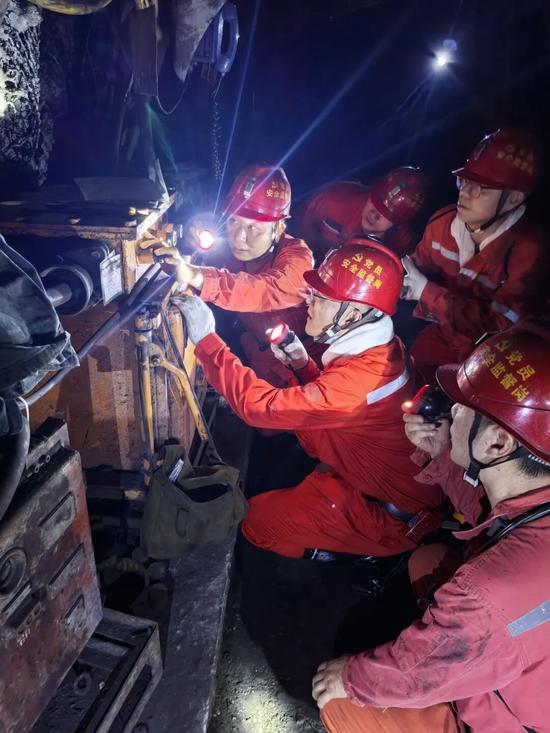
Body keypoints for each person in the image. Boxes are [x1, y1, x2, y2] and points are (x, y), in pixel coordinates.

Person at [312, 321, 550, 733]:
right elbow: (494, 517)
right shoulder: (534, 499)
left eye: (462, 408)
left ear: (497, 443)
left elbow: (415, 673)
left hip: (512, 717)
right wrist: (444, 452)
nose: (450, 411)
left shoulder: (488, 593)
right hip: (527, 658)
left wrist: (347, 678)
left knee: (341, 704)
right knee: (429, 561)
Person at [175, 239, 442, 559]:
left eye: (320, 298)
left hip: (386, 515)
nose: (308, 304)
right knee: (302, 455)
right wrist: (302, 366)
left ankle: (356, 557)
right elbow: (334, 402)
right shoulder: (382, 347)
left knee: (256, 524)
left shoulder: (359, 380)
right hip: (375, 476)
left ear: (352, 314)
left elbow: (259, 408)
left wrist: (206, 340)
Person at [402, 128, 548, 384]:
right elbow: (416, 266)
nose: (465, 192)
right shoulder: (443, 223)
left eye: (481, 188)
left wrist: (427, 292)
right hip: (437, 335)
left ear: (512, 200)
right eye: (464, 181)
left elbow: (502, 326)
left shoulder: (529, 252)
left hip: (486, 359)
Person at [155, 164, 313, 385]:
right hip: (256, 356)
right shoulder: (232, 250)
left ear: (278, 228)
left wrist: (196, 276)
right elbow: (205, 245)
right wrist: (191, 239)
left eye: (253, 227)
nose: (239, 237)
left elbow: (260, 290)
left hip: (301, 368)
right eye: (233, 221)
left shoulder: (298, 259)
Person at [296, 167, 427, 262]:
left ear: (398, 224)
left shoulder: (401, 246)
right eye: (375, 202)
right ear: (370, 194)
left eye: (387, 214)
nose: (374, 214)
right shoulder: (336, 199)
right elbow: (300, 222)